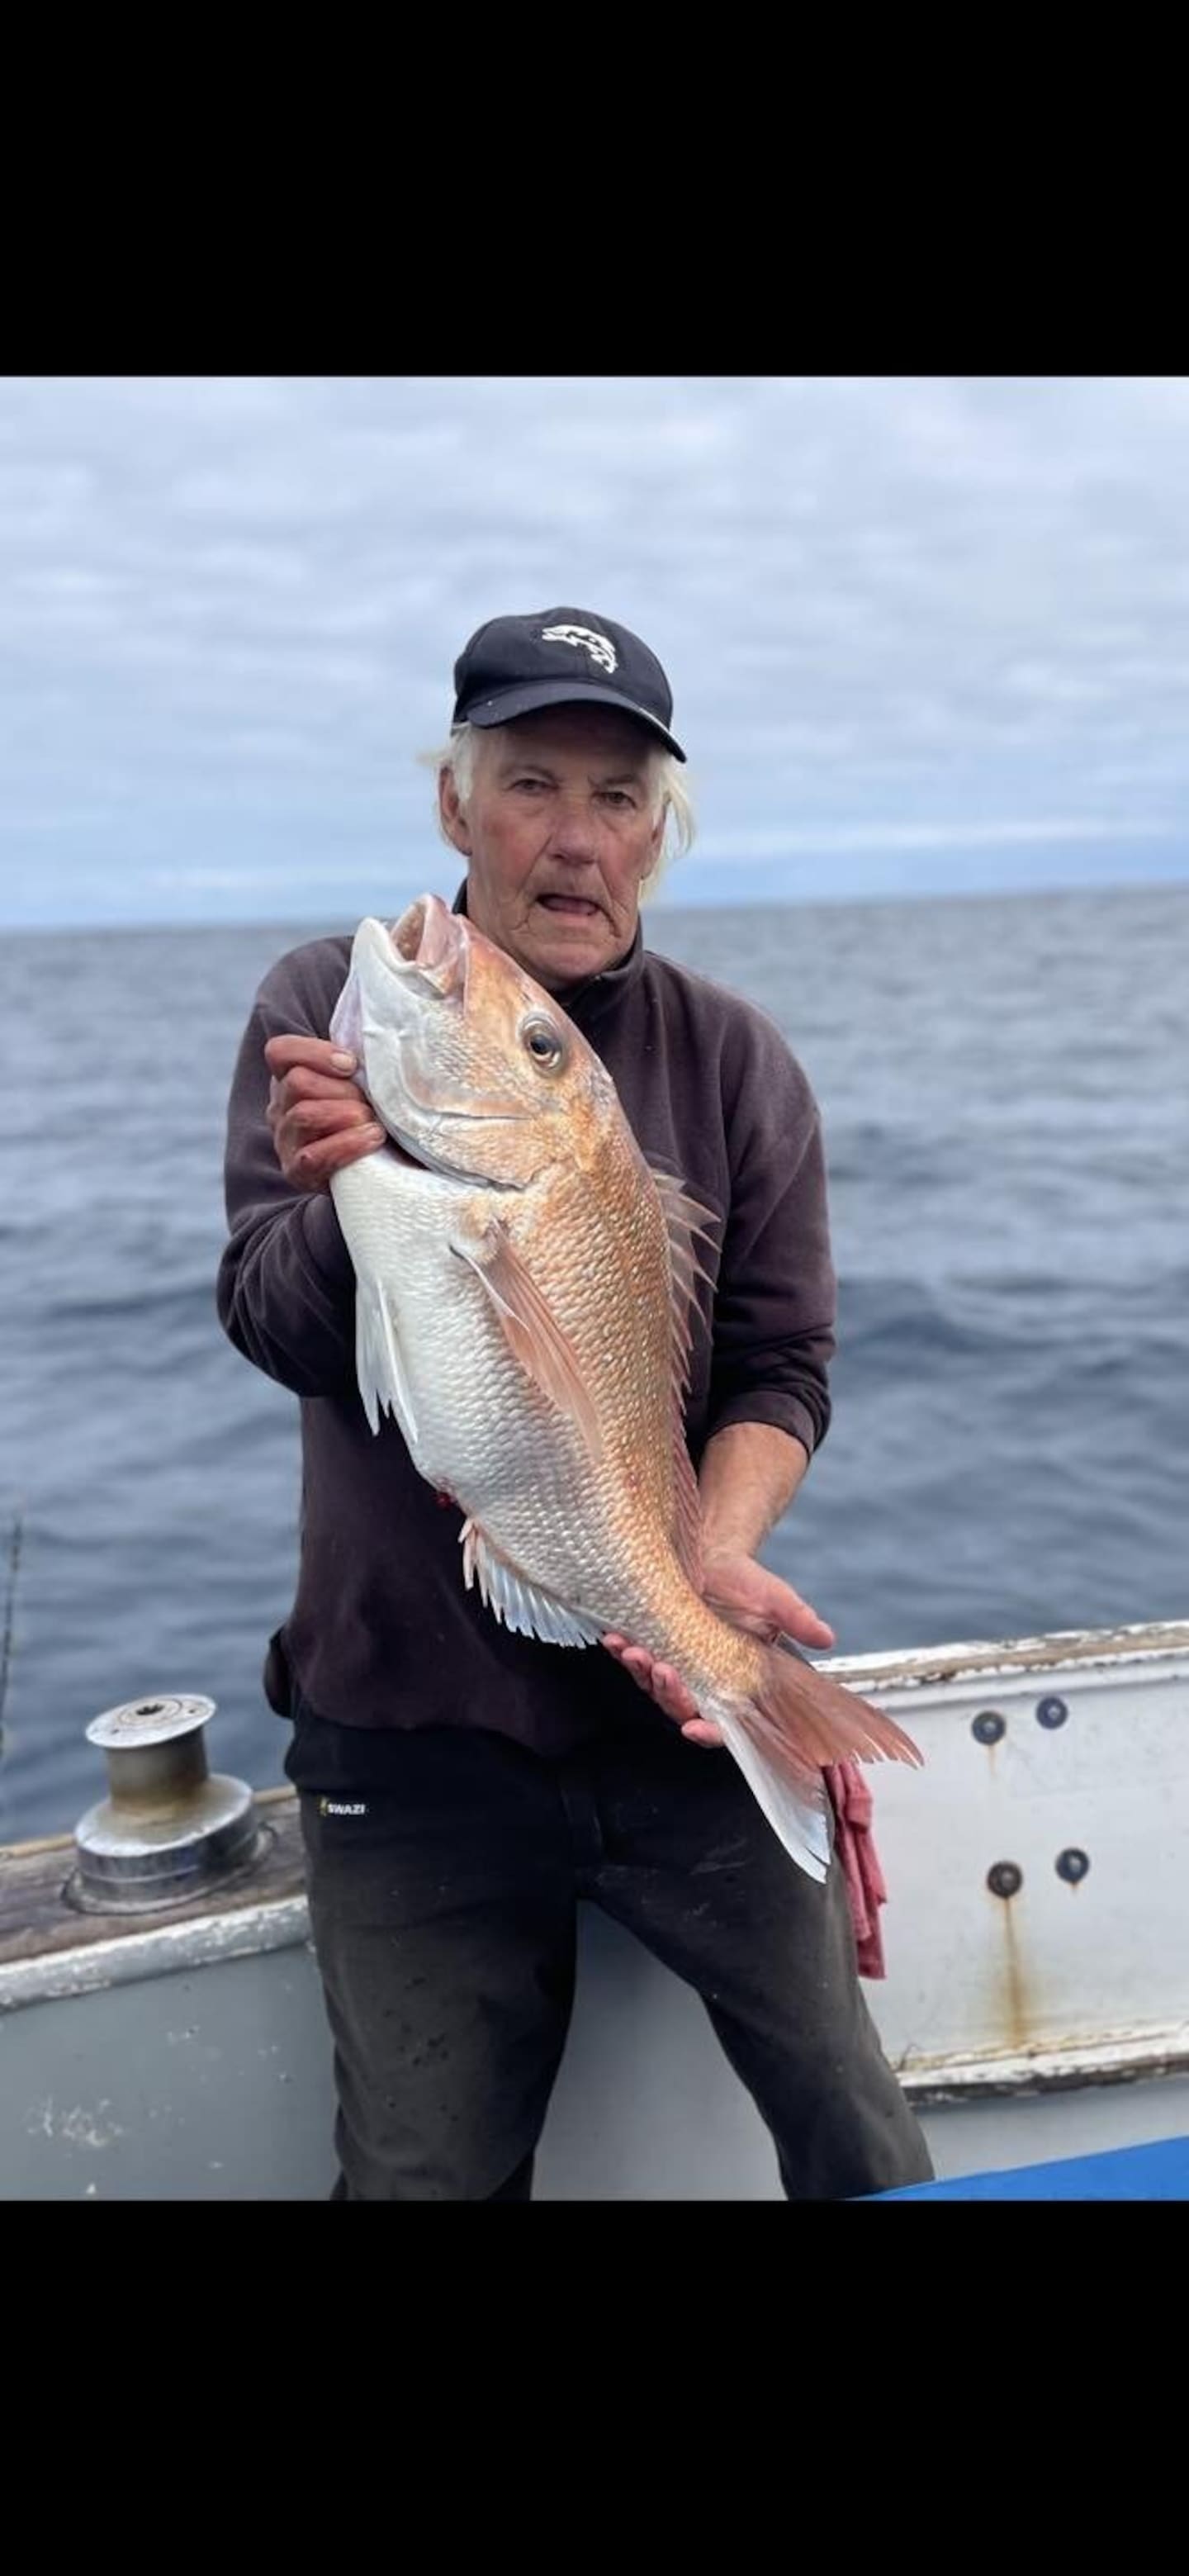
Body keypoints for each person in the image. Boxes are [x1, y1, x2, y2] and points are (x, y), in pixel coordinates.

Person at [217, 605, 934, 2201]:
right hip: (405, 1729)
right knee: (421, 2178)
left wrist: (707, 1567)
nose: (576, 836)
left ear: (658, 835)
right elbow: (269, 1321)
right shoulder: (337, 1002)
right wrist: (346, 1201)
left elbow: (780, 1363)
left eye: (619, 798)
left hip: (671, 1720)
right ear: (454, 805)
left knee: (859, 2130)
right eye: (531, 782)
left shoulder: (735, 1060)